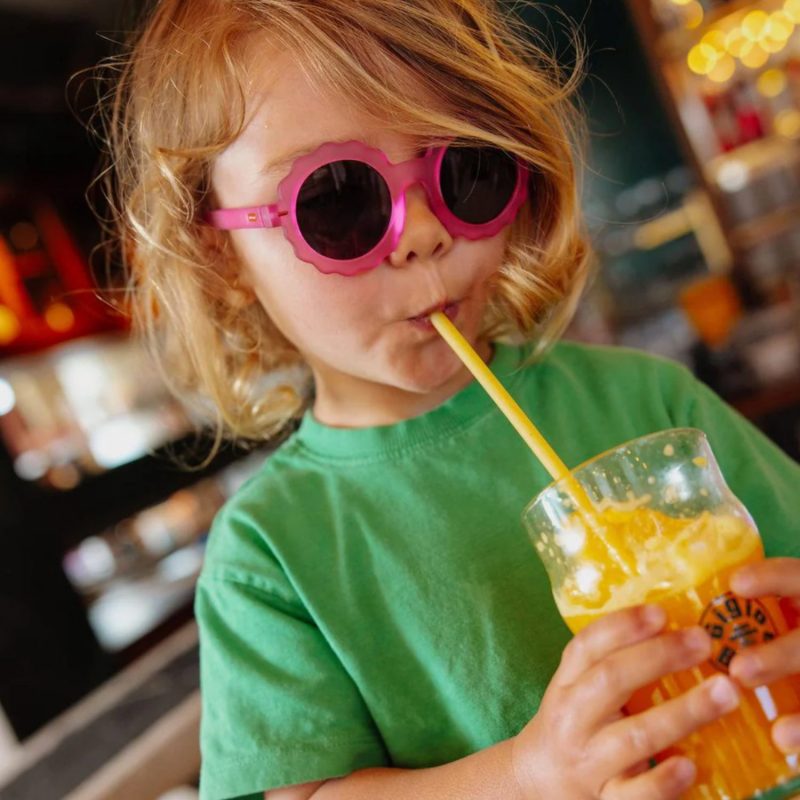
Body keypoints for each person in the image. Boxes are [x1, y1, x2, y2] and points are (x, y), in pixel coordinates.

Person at [99, 1, 800, 799]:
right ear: (219, 252)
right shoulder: (270, 557)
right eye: (338, 199)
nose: (425, 232)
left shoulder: (650, 403)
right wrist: (529, 776)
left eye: (466, 168)